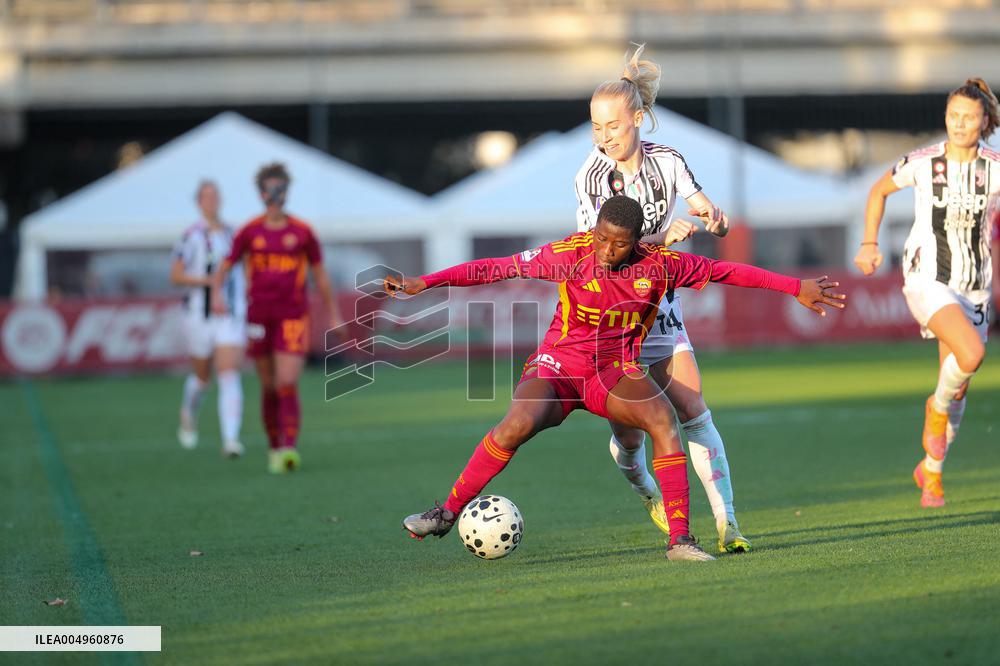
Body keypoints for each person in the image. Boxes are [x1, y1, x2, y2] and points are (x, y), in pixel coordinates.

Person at [389, 197, 844, 561]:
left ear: (636, 240)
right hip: (559, 366)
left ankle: (681, 541)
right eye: (603, 239)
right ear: (595, 232)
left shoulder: (661, 265)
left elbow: (729, 271)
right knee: (514, 425)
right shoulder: (570, 253)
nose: (607, 250)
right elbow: (495, 267)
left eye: (619, 243)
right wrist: (423, 283)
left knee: (664, 422)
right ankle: (445, 512)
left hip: (614, 372)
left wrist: (795, 287)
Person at [574, 44, 748, 553]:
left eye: (613, 125)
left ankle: (728, 523)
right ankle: (645, 486)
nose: (604, 137)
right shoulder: (590, 176)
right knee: (631, 439)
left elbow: (713, 216)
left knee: (694, 409)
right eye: (596, 126)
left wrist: (715, 221)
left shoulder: (668, 161)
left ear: (639, 119)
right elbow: (599, 257)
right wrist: (658, 242)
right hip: (613, 320)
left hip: (662, 312)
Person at [854, 78, 1000, 507]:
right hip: (926, 276)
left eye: (969, 117)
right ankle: (933, 409)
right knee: (971, 356)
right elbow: (878, 190)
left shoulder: (994, 168)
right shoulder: (923, 162)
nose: (959, 123)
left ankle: (931, 472)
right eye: (953, 115)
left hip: (973, 285)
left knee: (957, 388)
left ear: (985, 121)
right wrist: (869, 243)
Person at [211, 163, 344, 474]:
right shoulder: (249, 231)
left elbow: (320, 274)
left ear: (287, 192)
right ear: (261, 193)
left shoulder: (302, 231)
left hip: (293, 315)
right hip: (259, 315)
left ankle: (289, 447)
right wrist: (217, 294)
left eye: (280, 190)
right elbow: (225, 266)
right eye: (270, 190)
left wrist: (335, 315)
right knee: (269, 385)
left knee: (286, 381)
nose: (275, 196)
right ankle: (274, 447)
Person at [170, 179, 246, 458]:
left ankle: (231, 440)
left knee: (228, 373)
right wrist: (208, 281)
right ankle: (188, 411)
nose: (212, 200)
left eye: (215, 195)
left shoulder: (234, 235)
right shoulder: (191, 235)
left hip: (229, 315)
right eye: (206, 196)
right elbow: (175, 275)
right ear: (199, 202)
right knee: (202, 377)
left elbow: (243, 271)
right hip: (198, 316)